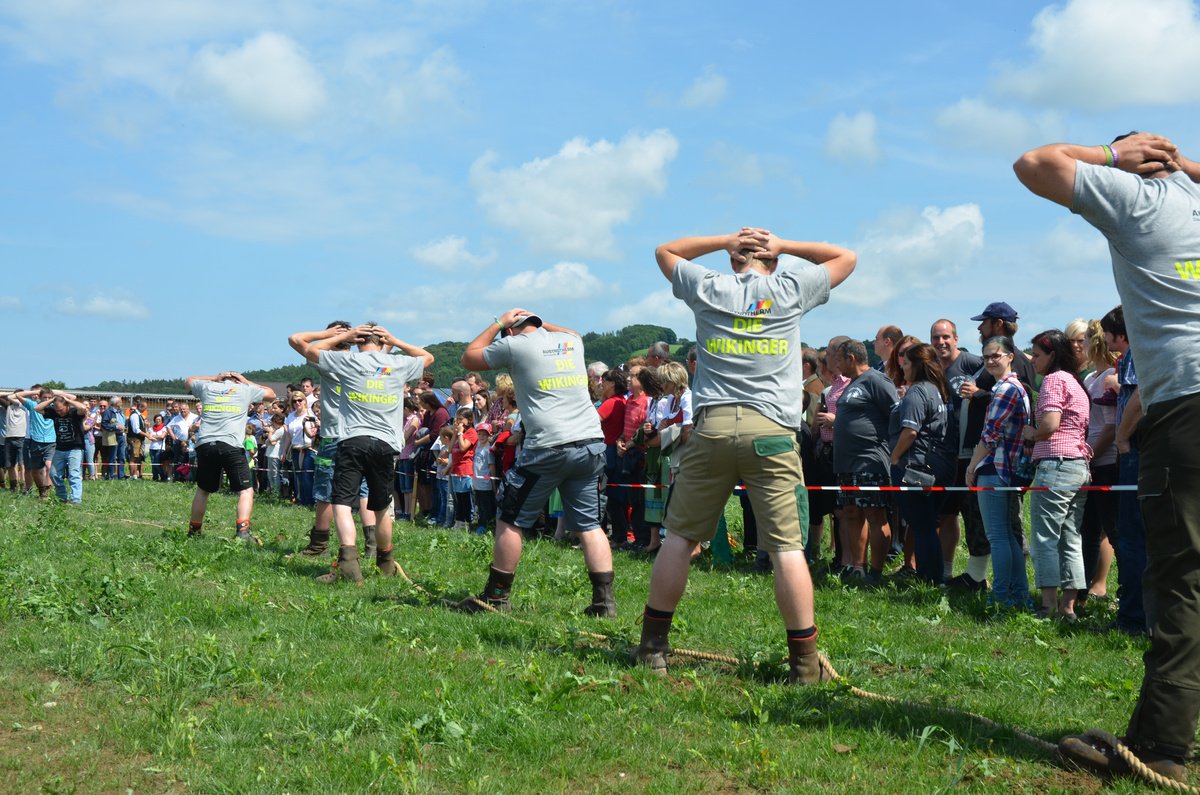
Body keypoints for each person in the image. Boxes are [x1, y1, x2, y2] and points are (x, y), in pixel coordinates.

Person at [1015, 131, 1200, 780]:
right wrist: (1185, 164)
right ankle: (1154, 736)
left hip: (1185, 405)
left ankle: (1163, 750)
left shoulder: (1140, 199)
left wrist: (1113, 156)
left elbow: (1035, 164)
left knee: (1182, 581)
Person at [632, 226, 855, 683]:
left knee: (679, 538)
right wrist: (785, 245)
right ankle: (804, 664)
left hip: (711, 427)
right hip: (772, 430)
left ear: (735, 259)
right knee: (786, 548)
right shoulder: (789, 288)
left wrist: (723, 241)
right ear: (773, 262)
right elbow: (846, 257)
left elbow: (664, 249)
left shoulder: (710, 287)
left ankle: (652, 649)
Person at [457, 307, 614, 616]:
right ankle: (604, 603)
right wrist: (538, 319)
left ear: (510, 332)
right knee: (590, 525)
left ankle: (496, 598)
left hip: (547, 445)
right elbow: (572, 332)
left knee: (510, 520)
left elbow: (468, 358)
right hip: (590, 443)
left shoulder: (514, 344)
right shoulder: (572, 342)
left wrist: (499, 322)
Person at [301, 323, 432, 583]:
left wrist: (345, 336)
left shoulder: (348, 361)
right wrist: (395, 340)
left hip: (353, 440)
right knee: (381, 506)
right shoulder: (397, 363)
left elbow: (308, 349)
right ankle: (385, 562)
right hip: (386, 444)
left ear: (357, 341)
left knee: (342, 502)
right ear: (382, 342)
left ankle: (349, 565)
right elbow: (427, 357)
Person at [965, 337, 1031, 608]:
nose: (991, 360)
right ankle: (1019, 594)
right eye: (986, 357)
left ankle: (1002, 596)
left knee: (998, 536)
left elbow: (990, 434)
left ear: (1010, 356)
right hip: (1008, 469)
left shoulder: (1004, 389)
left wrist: (972, 466)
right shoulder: (1014, 387)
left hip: (996, 467)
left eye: (996, 355)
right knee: (1007, 534)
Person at [832, 339, 899, 585]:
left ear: (851, 358)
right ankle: (857, 567)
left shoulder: (876, 380)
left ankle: (876, 572)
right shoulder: (852, 383)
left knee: (874, 514)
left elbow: (896, 414)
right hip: (846, 464)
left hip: (870, 461)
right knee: (851, 513)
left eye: (839, 360)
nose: (837, 365)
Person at [887, 344, 954, 585]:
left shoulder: (917, 391)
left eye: (905, 363)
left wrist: (894, 458)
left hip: (915, 468)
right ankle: (934, 577)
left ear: (917, 365)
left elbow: (910, 432)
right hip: (940, 466)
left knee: (922, 525)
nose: (903, 368)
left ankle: (929, 579)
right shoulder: (938, 389)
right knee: (927, 523)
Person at [184, 372, 276, 540]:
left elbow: (188, 381)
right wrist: (246, 381)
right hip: (231, 445)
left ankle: (194, 531)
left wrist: (214, 378)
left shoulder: (208, 387)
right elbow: (271, 394)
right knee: (246, 490)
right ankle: (243, 532)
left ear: (221, 380)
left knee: (203, 490)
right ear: (237, 381)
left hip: (205, 444)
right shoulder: (245, 389)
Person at [931, 319, 985, 583]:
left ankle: (978, 575)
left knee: (973, 514)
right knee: (946, 513)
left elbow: (999, 387)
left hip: (969, 453)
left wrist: (978, 391)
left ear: (956, 338)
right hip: (943, 452)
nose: (941, 342)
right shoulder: (931, 367)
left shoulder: (972, 363)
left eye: (945, 337)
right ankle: (945, 572)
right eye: (936, 338)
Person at [34, 391, 89, 505]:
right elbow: (37, 408)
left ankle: (76, 500)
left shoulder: (74, 412)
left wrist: (67, 400)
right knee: (53, 474)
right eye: (57, 410)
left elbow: (83, 408)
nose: (59, 412)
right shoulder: (54, 412)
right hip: (59, 448)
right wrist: (52, 400)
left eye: (61, 410)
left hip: (75, 448)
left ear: (67, 406)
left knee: (73, 474)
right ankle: (63, 497)